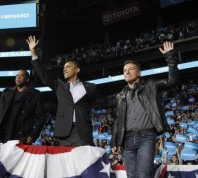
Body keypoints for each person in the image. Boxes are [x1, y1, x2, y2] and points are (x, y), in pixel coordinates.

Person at [26, 36, 114, 146]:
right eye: (63, 67)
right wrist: (33, 53)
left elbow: (105, 103)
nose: (64, 69)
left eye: (68, 66)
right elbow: (43, 76)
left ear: (77, 70)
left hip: (82, 133)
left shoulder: (90, 87)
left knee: (83, 162)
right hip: (64, 133)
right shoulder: (60, 86)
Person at [112, 41, 178, 178]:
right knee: (131, 176)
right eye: (124, 70)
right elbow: (118, 120)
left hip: (146, 138)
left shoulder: (150, 86)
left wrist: (170, 57)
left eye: (130, 69)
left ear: (139, 72)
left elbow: (172, 81)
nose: (127, 72)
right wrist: (115, 142)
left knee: (143, 175)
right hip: (127, 140)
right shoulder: (120, 96)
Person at [0, 61, 46, 144]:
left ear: (27, 79)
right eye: (17, 75)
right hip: (5, 135)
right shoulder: (7, 92)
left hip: (22, 136)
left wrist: (33, 134)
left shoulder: (35, 94)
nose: (18, 77)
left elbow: (41, 117)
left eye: (21, 76)